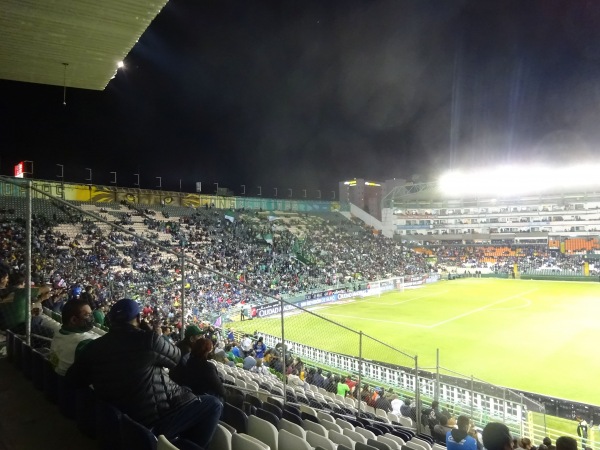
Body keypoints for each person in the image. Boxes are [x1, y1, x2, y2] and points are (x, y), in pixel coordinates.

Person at [65, 299, 222, 448]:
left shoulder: (94, 347)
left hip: (123, 421)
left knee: (188, 391)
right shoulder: (149, 340)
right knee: (213, 404)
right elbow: (176, 358)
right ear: (139, 318)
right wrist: (150, 333)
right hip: (154, 421)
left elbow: (73, 380)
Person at [49, 299, 99, 375]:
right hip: (75, 384)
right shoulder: (84, 343)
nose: (91, 318)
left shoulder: (60, 332)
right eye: (87, 315)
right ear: (74, 320)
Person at [181, 337, 225, 402]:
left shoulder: (189, 361)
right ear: (207, 351)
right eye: (211, 349)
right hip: (206, 398)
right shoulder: (208, 367)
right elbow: (221, 390)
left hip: (195, 395)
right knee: (239, 398)